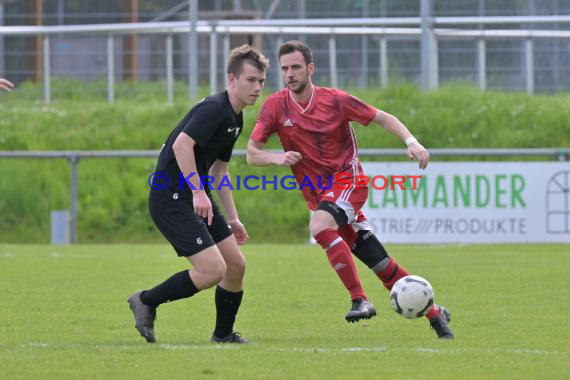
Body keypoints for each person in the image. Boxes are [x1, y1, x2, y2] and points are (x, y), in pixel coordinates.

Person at [246, 40, 453, 339]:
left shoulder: (336, 100)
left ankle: (360, 299)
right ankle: (436, 314)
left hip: (349, 182)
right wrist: (277, 158)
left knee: (319, 225)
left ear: (310, 69)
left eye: (296, 67)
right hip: (320, 196)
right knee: (381, 265)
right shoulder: (275, 106)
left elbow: (382, 117)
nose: (290, 73)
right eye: (285, 68)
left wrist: (412, 142)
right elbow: (253, 153)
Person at [128, 45, 269, 344]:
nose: (257, 88)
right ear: (232, 80)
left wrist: (233, 218)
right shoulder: (215, 109)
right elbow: (182, 145)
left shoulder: (236, 118)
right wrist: (197, 191)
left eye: (261, 81)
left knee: (236, 266)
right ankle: (146, 300)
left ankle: (223, 334)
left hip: (195, 195)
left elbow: (219, 171)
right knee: (212, 270)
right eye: (251, 80)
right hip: (171, 198)